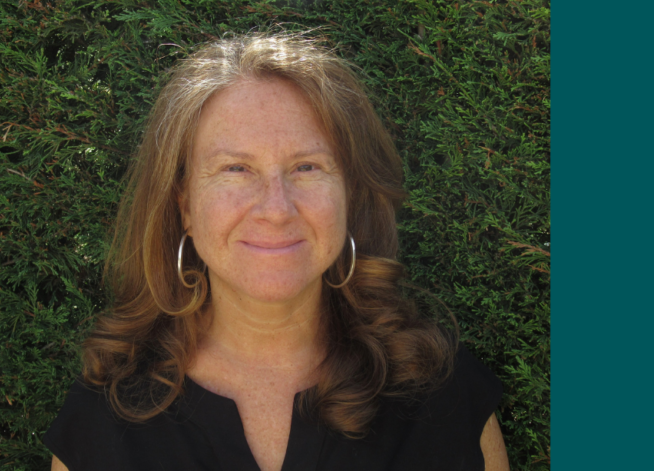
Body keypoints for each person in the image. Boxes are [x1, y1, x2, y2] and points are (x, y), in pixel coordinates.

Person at [44, 32, 509, 471]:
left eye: (307, 166)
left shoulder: (441, 398)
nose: (276, 208)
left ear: (349, 194)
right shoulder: (104, 424)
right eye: (235, 169)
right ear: (184, 205)